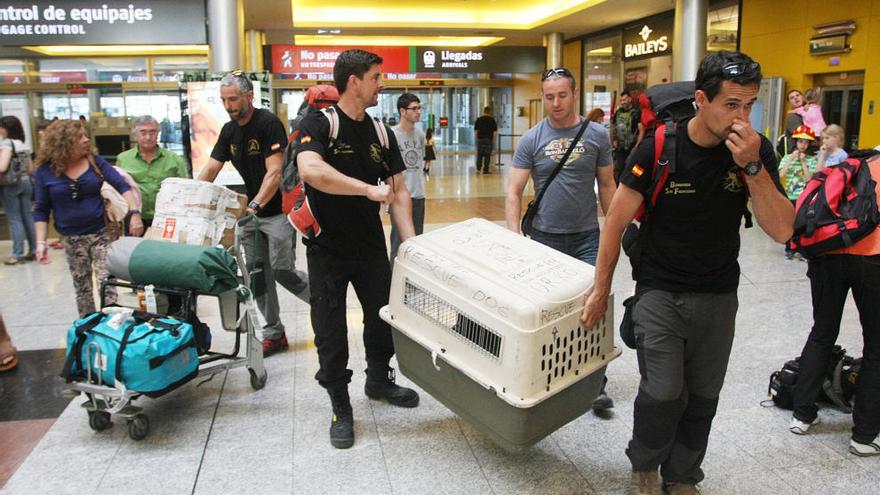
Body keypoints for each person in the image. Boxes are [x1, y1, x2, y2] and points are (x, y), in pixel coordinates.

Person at [580, 51, 794, 494]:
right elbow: (616, 221)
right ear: (701, 99)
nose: (742, 116)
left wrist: (752, 166)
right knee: (662, 391)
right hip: (659, 290)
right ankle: (645, 464)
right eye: (731, 104)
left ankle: (681, 475)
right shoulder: (659, 146)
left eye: (749, 104)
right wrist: (601, 291)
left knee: (703, 397)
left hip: (719, 294)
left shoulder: (754, 150)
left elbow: (782, 229)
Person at [294, 49, 420, 450]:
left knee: (382, 317)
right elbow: (311, 170)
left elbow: (399, 192)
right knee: (330, 330)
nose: (382, 84)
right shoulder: (319, 123)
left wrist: (412, 246)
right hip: (326, 250)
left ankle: (379, 381)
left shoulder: (381, 133)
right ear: (355, 82)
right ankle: (339, 405)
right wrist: (366, 188)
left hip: (369, 248)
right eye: (377, 77)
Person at [505, 66, 617, 413]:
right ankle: (552, 376)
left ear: (574, 94)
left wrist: (616, 228)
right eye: (550, 96)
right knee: (548, 313)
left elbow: (608, 186)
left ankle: (595, 383)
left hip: (586, 237)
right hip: (543, 240)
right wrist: (514, 238)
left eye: (562, 95)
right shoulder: (532, 138)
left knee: (593, 306)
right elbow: (514, 191)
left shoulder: (596, 134)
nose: (555, 102)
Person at [198, 71, 310, 356]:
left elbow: (274, 173)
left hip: (276, 213)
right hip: (251, 216)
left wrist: (255, 205)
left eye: (233, 99)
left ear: (249, 96)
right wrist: (192, 197)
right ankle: (274, 333)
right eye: (224, 100)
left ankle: (324, 305)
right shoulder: (229, 130)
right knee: (258, 276)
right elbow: (211, 168)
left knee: (283, 271)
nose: (228, 105)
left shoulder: (268, 123)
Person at [788, 151, 880, 457]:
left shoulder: (855, 164)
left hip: (828, 251)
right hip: (872, 260)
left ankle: (801, 415)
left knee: (823, 332)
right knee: (876, 346)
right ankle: (863, 436)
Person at [33, 120, 143, 317]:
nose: (86, 140)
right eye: (80, 137)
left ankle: (111, 328)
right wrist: (40, 242)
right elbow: (41, 209)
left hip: (102, 233)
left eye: (85, 135)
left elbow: (122, 185)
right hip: (71, 238)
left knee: (107, 283)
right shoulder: (44, 172)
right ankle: (88, 327)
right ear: (64, 142)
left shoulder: (94, 161)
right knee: (82, 289)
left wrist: (134, 213)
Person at [116, 115, 188, 232]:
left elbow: (184, 191)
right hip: (134, 218)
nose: (148, 137)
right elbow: (118, 190)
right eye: (143, 133)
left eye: (152, 132)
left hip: (167, 219)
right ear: (135, 135)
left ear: (158, 133)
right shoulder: (123, 159)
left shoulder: (174, 160)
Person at [389, 93, 427, 265]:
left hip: (418, 196)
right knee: (399, 245)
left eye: (420, 108)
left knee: (416, 243)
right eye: (414, 108)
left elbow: (421, 161)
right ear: (403, 111)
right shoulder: (392, 135)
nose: (418, 112)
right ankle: (391, 285)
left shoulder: (419, 134)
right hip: (399, 198)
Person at [0, 116, 37, 265]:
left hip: (10, 185)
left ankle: (17, 253)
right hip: (26, 182)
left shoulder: (7, 144)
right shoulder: (23, 144)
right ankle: (34, 250)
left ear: (7, 129)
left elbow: (2, 167)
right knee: (27, 217)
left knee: (14, 219)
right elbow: (30, 168)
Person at [779, 125, 818, 260]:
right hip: (788, 195)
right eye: (800, 141)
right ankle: (789, 248)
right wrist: (790, 159)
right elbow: (781, 175)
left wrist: (802, 162)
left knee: (801, 223)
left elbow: (809, 179)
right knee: (789, 222)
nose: (803, 145)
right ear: (796, 142)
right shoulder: (786, 157)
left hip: (803, 197)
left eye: (806, 142)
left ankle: (800, 248)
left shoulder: (811, 160)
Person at [612, 90, 641, 182]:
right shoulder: (618, 113)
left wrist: (637, 145)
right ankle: (618, 189)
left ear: (630, 99)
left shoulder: (636, 113)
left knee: (633, 170)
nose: (622, 102)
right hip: (620, 147)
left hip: (633, 146)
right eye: (621, 100)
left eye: (624, 100)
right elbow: (613, 127)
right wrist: (614, 140)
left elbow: (641, 130)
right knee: (619, 169)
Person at [474, 106, 497, 174]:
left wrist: (476, 139)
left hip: (480, 139)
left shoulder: (478, 120)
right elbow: (494, 132)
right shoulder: (492, 120)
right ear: (489, 112)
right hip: (488, 140)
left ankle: (478, 169)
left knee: (479, 155)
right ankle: (485, 170)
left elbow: (476, 131)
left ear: (483, 111)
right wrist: (493, 141)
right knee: (487, 155)